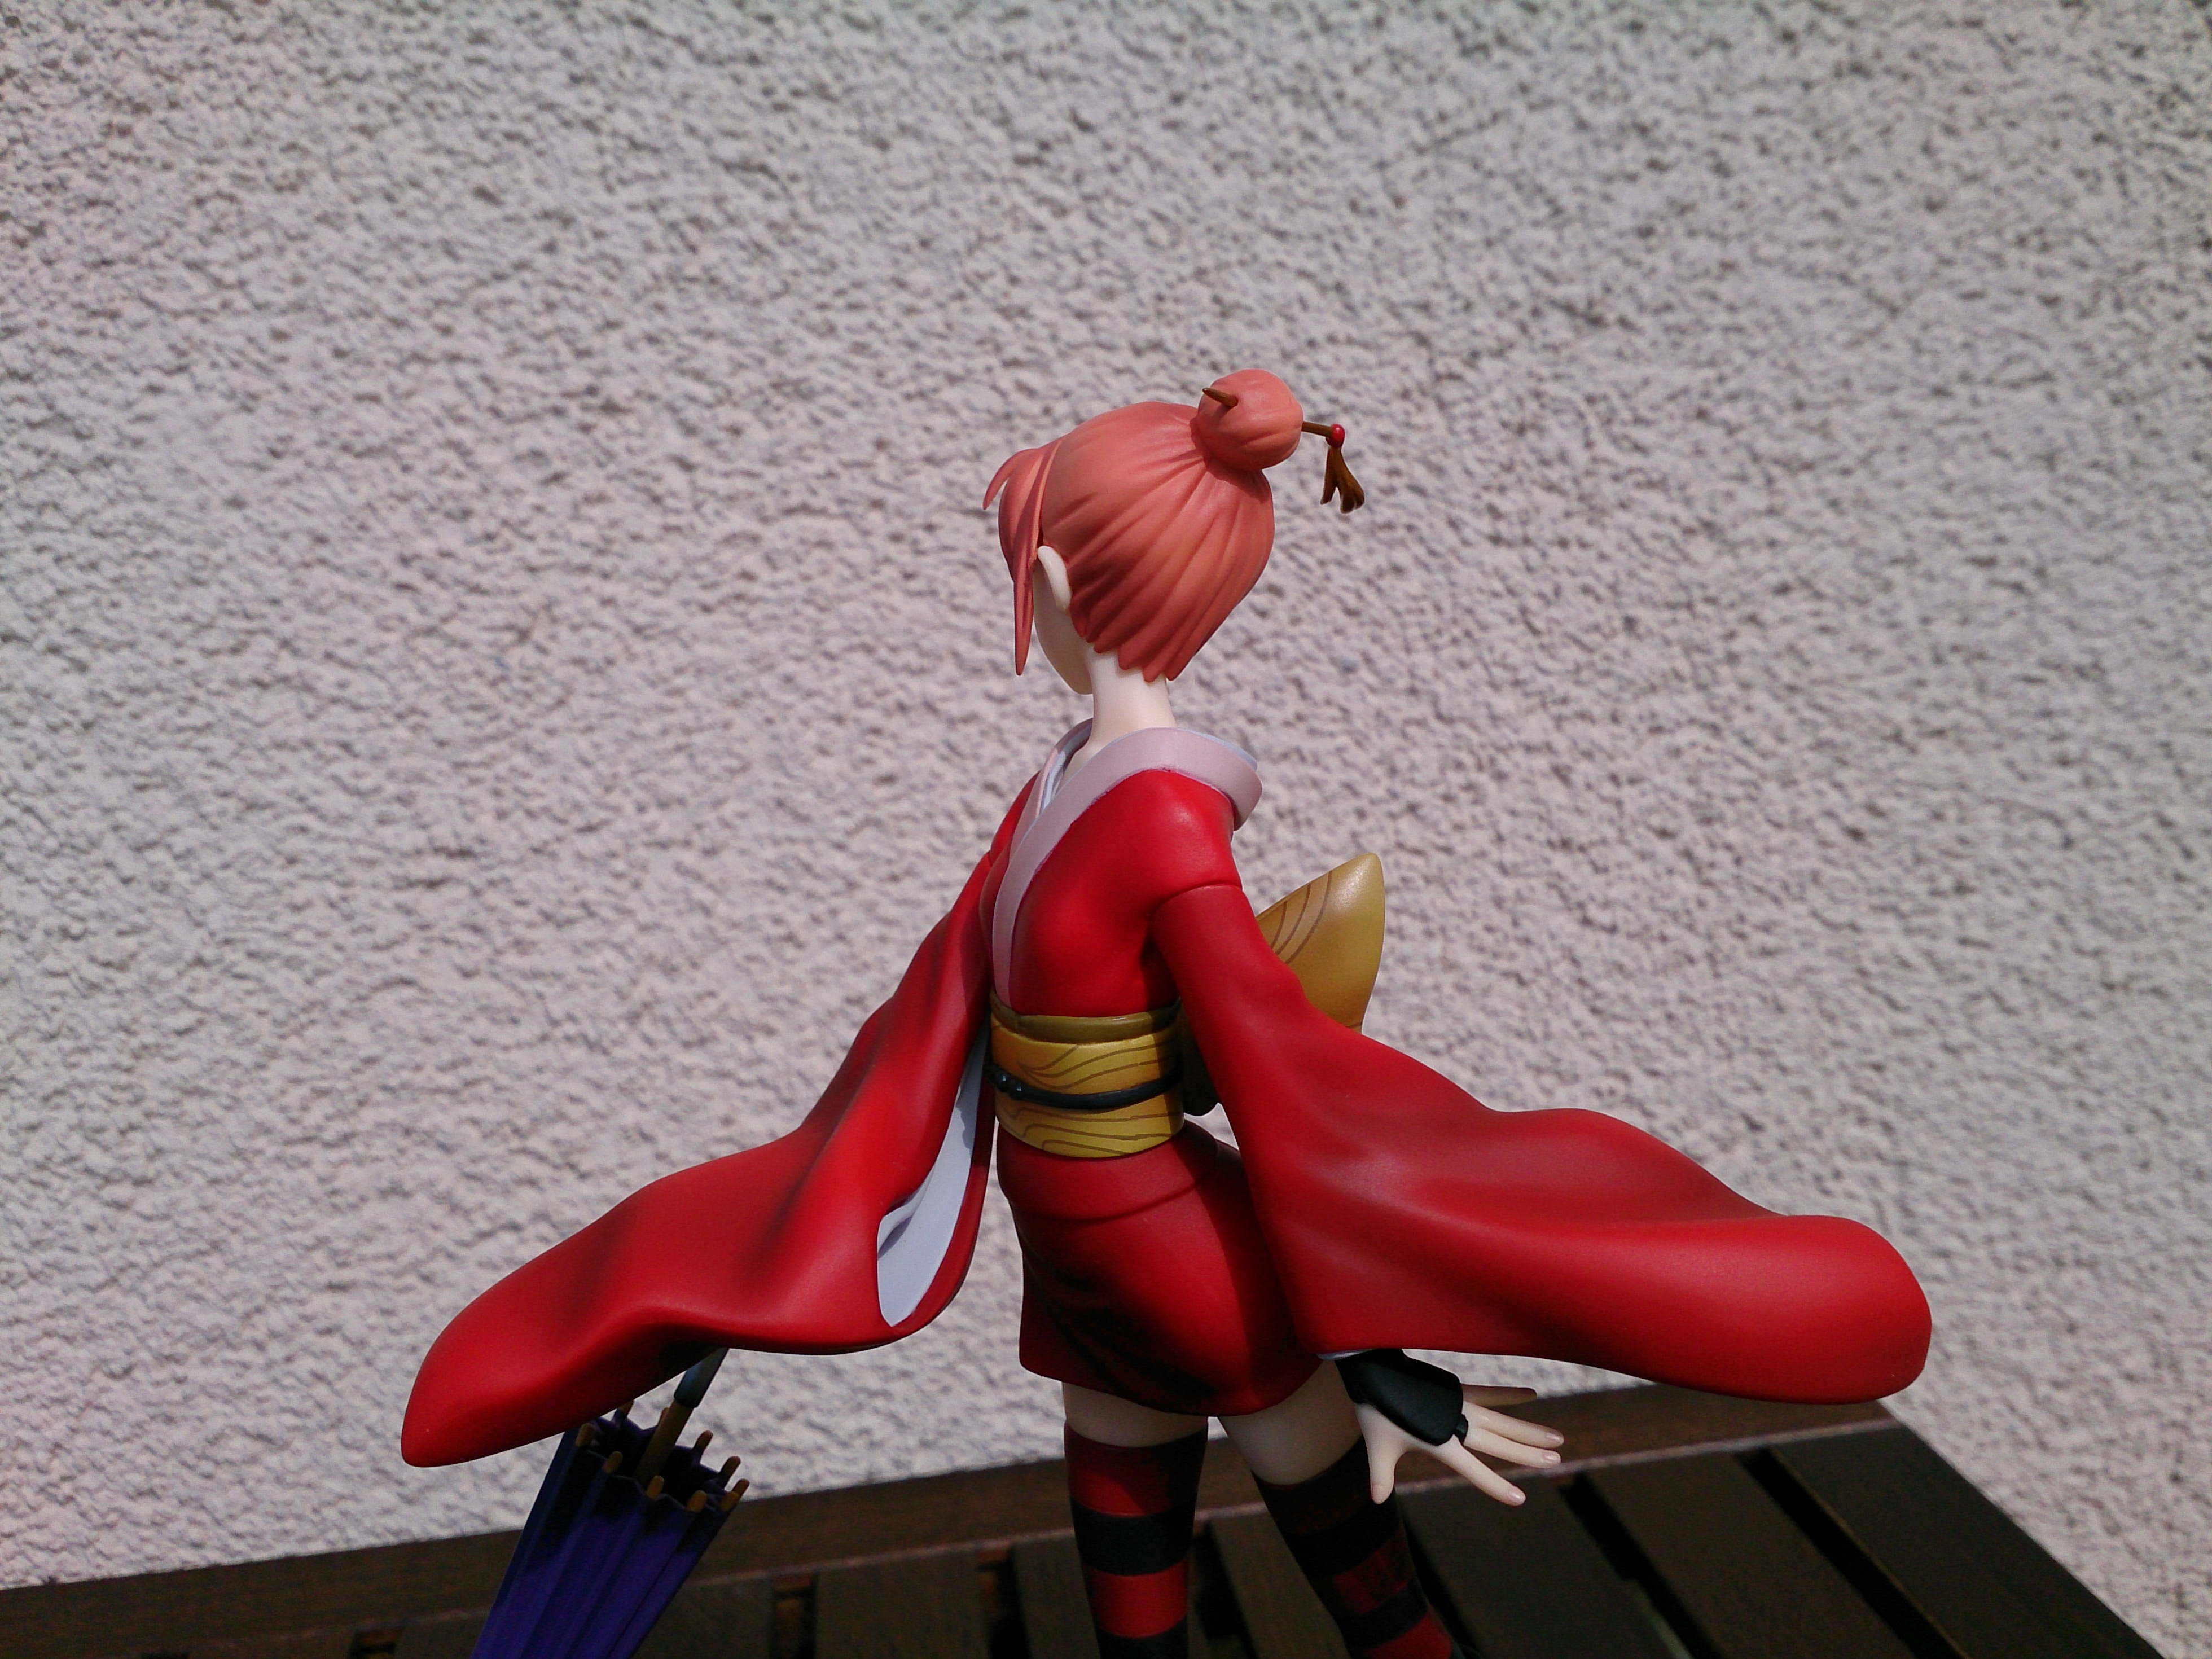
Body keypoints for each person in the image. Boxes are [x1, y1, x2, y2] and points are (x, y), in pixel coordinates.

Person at [405, 370, 1930, 1659]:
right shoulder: (1062, 785)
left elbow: (1277, 1070)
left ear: (1064, 590)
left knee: (1352, 1568)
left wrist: (1375, 1354)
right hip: (1084, 1253)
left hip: (1173, 1253)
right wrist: (808, 1211)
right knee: (1130, 1559)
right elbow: (942, 1003)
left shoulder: (1160, 820)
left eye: (1023, 571)